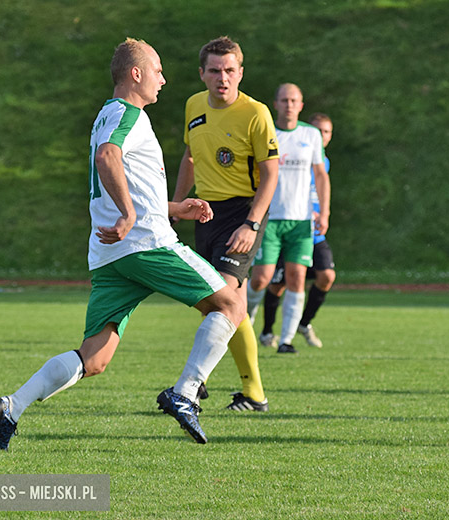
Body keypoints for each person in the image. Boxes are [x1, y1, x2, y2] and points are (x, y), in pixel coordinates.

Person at [0, 38, 245, 450]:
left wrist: (175, 207)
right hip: (145, 244)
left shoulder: (108, 114)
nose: (164, 78)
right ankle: (186, 392)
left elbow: (128, 179)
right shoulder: (128, 114)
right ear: (136, 74)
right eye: (157, 70)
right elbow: (108, 158)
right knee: (232, 304)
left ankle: (11, 407)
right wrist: (129, 214)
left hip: (110, 254)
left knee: (95, 358)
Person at [172, 36, 278, 412]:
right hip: (206, 212)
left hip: (243, 212)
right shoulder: (193, 106)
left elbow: (271, 174)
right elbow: (190, 157)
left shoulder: (255, 112)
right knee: (218, 304)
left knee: (225, 300)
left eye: (230, 70)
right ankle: (254, 394)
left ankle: (192, 384)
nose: (223, 78)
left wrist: (251, 224)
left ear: (240, 73)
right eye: (215, 70)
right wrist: (176, 204)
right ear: (202, 73)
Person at [246, 84, 330, 354]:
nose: (289, 104)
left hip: (301, 220)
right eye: (284, 100)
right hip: (271, 218)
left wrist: (324, 211)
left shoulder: (311, 134)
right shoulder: (267, 131)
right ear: (276, 103)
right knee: (261, 279)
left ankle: (286, 340)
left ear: (301, 104)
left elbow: (320, 175)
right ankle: (244, 322)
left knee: (296, 276)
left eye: (294, 100)